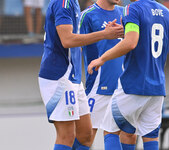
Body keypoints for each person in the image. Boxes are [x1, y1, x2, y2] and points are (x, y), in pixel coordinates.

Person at [38, 0, 123, 150]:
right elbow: (67, 40)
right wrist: (104, 34)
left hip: (73, 78)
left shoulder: (73, 3)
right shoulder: (63, 2)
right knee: (67, 135)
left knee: (85, 135)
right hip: (59, 76)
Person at [88, 0, 169, 149]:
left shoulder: (131, 9)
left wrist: (102, 58)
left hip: (134, 85)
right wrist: (127, 29)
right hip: (158, 88)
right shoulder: (167, 12)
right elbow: (148, 38)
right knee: (150, 136)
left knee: (110, 130)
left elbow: (130, 43)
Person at [79, 0, 137, 149]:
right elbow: (74, 47)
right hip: (99, 87)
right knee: (85, 137)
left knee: (129, 135)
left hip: (124, 87)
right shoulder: (87, 15)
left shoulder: (125, 12)